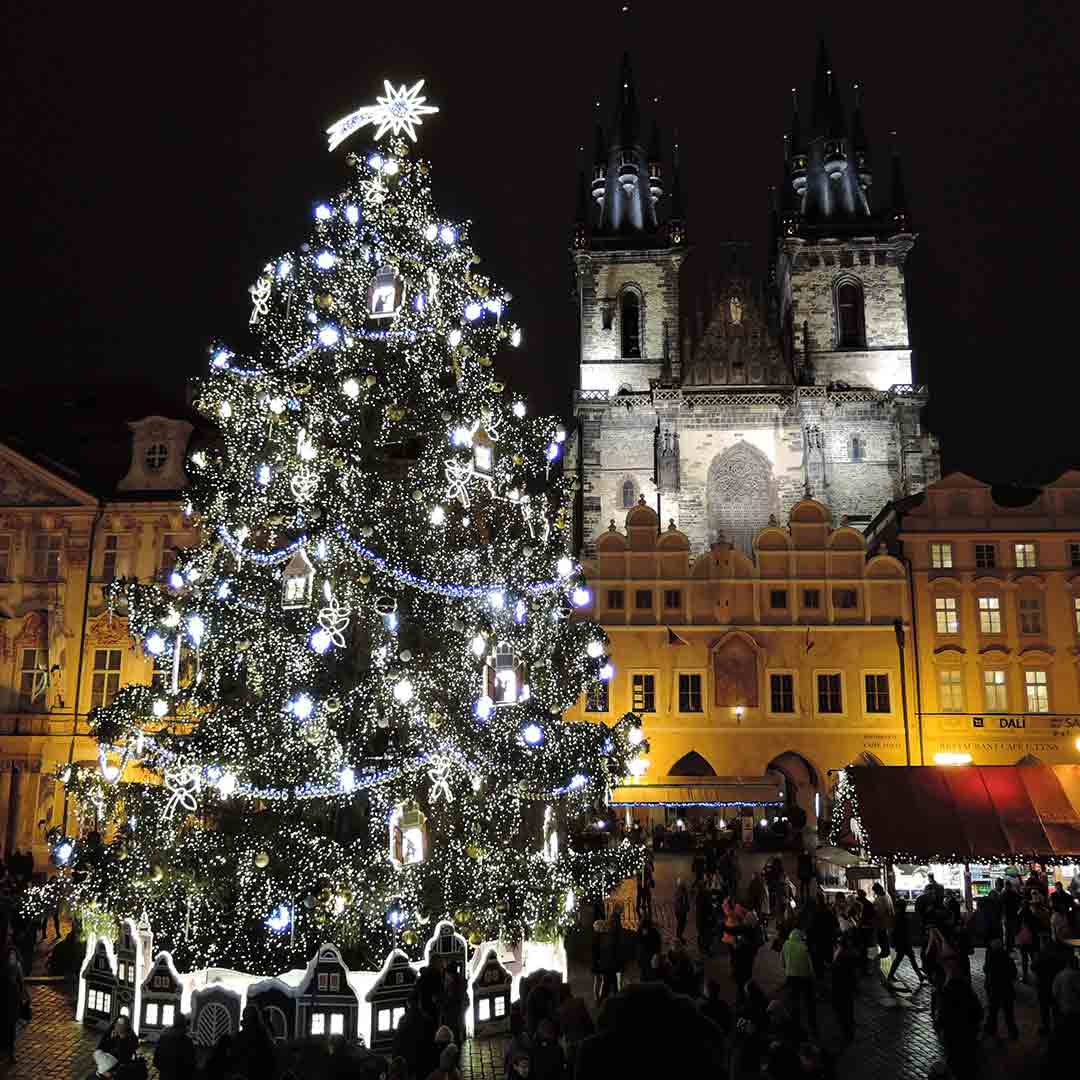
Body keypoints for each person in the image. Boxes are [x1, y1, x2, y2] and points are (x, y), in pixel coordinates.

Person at [938, 957, 983, 1080]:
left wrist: (941, 1027)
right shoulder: (968, 991)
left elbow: (942, 1014)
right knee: (969, 1062)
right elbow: (978, 1011)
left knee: (954, 1061)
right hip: (968, 1032)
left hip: (952, 1034)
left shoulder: (947, 992)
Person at [1035, 928, 1073, 1036]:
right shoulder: (1061, 954)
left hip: (1043, 986)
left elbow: (1034, 967)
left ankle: (1046, 1028)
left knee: (1045, 1010)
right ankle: (1058, 1028)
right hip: (1056, 985)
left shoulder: (1042, 954)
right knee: (1056, 1009)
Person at [781, 926, 816, 1034]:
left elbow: (782, 961)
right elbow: (810, 965)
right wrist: (812, 976)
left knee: (794, 1000)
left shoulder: (786, 944)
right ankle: (812, 1023)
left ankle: (795, 1022)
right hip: (804, 977)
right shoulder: (804, 947)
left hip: (791, 977)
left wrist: (787, 969)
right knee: (808, 1000)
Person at [982, 936, 1019, 1039]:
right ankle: (1013, 1032)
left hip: (993, 989)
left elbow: (985, 970)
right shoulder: (1008, 958)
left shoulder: (991, 959)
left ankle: (992, 1030)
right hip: (1006, 989)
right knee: (1009, 1013)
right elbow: (1013, 974)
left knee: (993, 1011)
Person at [0, 929, 27, 1065]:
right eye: (8, 934)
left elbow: (18, 971)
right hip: (6, 992)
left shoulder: (13, 951)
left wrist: (23, 990)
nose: (10, 935)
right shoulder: (9, 951)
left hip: (11, 993)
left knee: (10, 1023)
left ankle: (10, 1051)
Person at [886, 896, 924, 985]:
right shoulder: (902, 916)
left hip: (902, 942)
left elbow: (894, 931)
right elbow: (899, 931)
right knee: (908, 959)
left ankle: (920, 976)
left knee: (904, 959)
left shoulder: (898, 916)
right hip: (904, 942)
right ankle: (919, 976)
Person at [832, 929, 861, 1041]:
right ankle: (849, 1032)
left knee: (843, 1011)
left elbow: (837, 973)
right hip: (847, 986)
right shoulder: (850, 954)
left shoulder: (841, 956)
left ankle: (847, 1033)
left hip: (841, 987)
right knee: (847, 1009)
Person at [152, 1012, 196, 1080]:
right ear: (184, 1023)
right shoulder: (187, 1042)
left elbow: (155, 1061)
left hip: (165, 1076)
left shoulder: (163, 1038)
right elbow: (191, 1064)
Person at [636, 915, 661, 981]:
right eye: (643, 928)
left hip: (651, 957)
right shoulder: (639, 932)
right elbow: (638, 945)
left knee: (651, 974)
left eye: (645, 928)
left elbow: (658, 945)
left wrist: (656, 954)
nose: (644, 930)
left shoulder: (654, 933)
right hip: (643, 957)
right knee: (644, 974)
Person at [673, 878, 690, 944]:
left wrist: (687, 907)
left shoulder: (684, 892)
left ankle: (679, 936)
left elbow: (685, 901)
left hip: (682, 911)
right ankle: (678, 937)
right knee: (680, 924)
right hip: (680, 911)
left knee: (682, 924)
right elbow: (679, 903)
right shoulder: (679, 892)